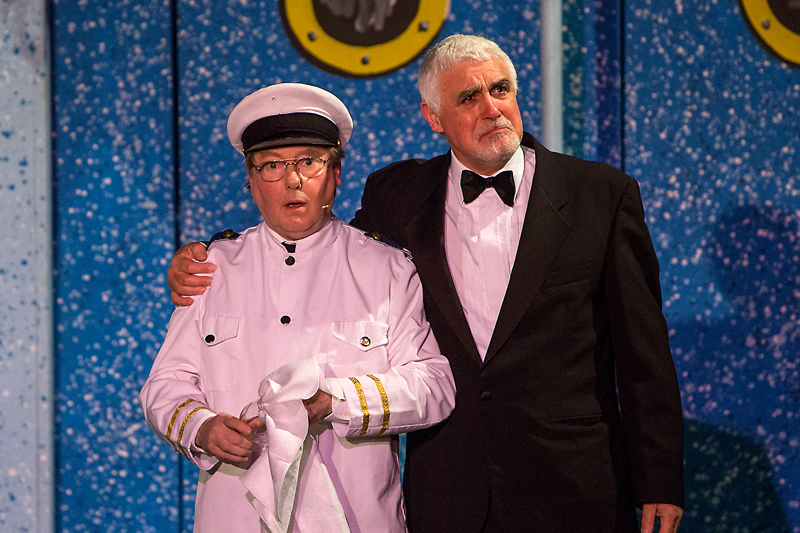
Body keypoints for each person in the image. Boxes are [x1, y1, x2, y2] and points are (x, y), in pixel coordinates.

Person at [167, 35, 685, 532]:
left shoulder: (601, 194)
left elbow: (643, 353)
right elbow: (309, 244)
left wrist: (660, 479)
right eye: (469, 97)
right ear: (433, 118)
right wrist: (203, 257)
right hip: (448, 488)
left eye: (500, 89)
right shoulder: (398, 195)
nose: (491, 108)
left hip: (572, 484)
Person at [141, 83, 456, 533]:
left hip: (357, 519)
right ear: (251, 182)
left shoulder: (386, 269)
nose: (293, 180)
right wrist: (201, 428)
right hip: (236, 519)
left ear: (336, 172)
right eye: (272, 165)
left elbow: (434, 386)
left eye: (309, 161)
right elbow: (164, 385)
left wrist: (337, 400)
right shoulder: (212, 269)